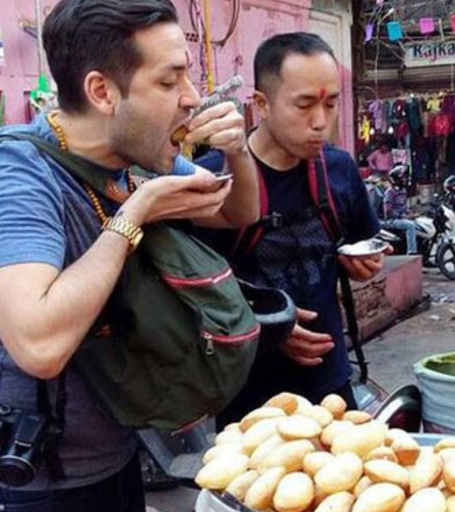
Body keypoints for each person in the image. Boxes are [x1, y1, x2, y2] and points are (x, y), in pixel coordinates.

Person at [0, 0, 259, 509]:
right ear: (102, 91)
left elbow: (235, 211)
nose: (191, 100)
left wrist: (238, 151)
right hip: (40, 485)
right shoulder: (20, 174)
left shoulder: (135, 157)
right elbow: (38, 345)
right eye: (169, 82)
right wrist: (135, 213)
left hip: (121, 452)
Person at [210, 33, 383, 427]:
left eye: (331, 103)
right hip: (247, 396)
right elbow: (188, 289)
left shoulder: (339, 171)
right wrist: (267, 328)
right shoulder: (212, 178)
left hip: (330, 385)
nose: (320, 122)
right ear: (262, 104)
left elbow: (364, 241)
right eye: (304, 105)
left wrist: (363, 261)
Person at [382, 167, 419, 255]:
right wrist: (403, 216)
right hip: (392, 220)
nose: (405, 180)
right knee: (411, 225)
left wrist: (411, 212)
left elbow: (404, 207)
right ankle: (412, 252)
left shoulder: (403, 190)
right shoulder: (390, 192)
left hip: (401, 218)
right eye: (404, 178)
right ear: (397, 179)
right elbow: (388, 211)